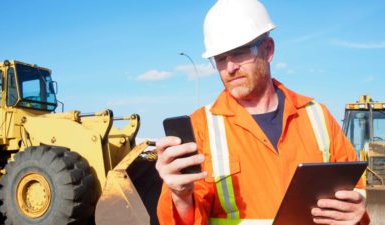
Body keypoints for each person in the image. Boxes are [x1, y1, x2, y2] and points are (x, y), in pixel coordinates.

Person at [155, 0, 370, 224]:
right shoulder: (200, 127)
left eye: (239, 53)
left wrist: (356, 215)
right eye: (220, 59)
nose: (230, 68)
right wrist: (180, 196)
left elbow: (355, 192)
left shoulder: (317, 116)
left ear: (268, 50)